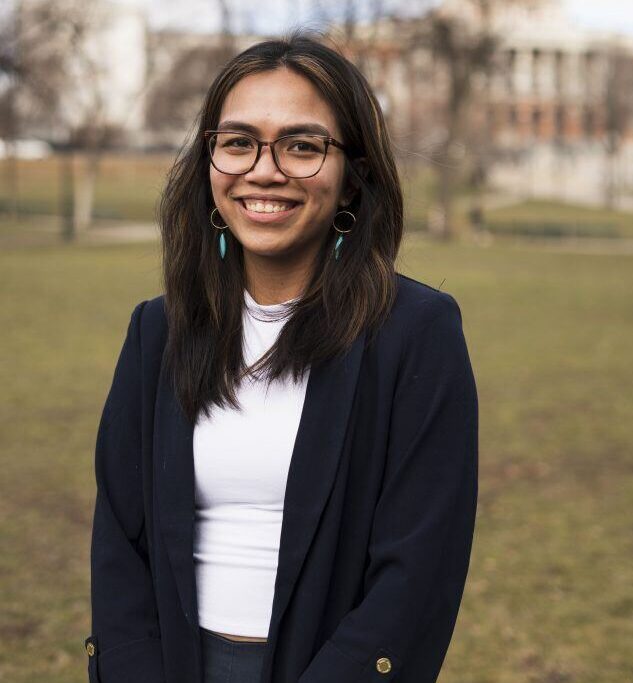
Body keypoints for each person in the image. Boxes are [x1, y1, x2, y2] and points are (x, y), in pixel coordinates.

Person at [85, 30, 478, 683]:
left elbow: (417, 569)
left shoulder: (415, 332)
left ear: (352, 178)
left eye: (302, 146)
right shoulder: (158, 330)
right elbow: (118, 544)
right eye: (238, 142)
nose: (264, 170)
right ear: (208, 162)